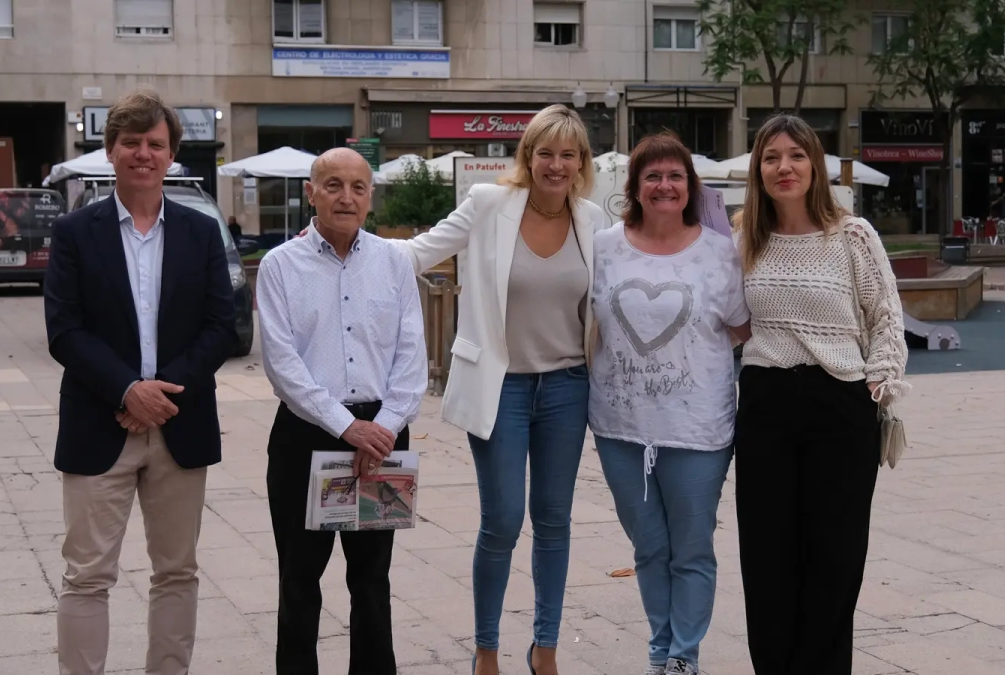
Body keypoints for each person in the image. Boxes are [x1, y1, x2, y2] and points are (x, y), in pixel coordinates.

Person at [391, 104, 609, 675]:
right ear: (528, 157)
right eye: (546, 153)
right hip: (502, 388)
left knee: (555, 520)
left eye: (568, 155)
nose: (556, 165)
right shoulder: (490, 205)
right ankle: (486, 650)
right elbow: (417, 251)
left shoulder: (593, 222)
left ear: (581, 163)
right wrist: (339, 244)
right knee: (504, 519)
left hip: (567, 387)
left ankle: (547, 647)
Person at [44, 89, 238, 675]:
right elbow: (64, 330)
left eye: (156, 144)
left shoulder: (201, 232)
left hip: (180, 425)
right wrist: (128, 391)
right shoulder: (76, 232)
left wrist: (159, 395)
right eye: (132, 142)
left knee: (176, 570)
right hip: (99, 424)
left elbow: (219, 328)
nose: (144, 154)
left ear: (173, 155)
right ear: (110, 151)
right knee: (87, 574)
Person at [732, 113, 909, 675]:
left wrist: (880, 381)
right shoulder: (744, 240)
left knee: (835, 560)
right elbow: (723, 318)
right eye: (770, 157)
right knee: (767, 560)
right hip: (765, 405)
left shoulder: (853, 236)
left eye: (796, 155)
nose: (784, 167)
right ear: (758, 171)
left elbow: (885, 316)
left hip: (840, 404)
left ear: (816, 164)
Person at [256, 147, 428, 675]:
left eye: (357, 186)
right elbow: (282, 363)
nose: (345, 197)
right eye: (332, 185)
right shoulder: (279, 265)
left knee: (372, 579)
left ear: (370, 197)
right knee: (299, 578)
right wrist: (344, 425)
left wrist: (384, 426)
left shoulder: (394, 262)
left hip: (381, 437)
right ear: (311, 193)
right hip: (306, 436)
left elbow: (411, 355)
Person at [589, 134, 751, 675]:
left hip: (698, 427)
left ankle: (682, 657)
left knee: (691, 548)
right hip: (619, 427)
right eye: (652, 176)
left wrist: (688, 362)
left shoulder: (719, 249)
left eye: (675, 176)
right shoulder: (605, 245)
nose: (664, 185)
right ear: (633, 187)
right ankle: (660, 649)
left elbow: (741, 326)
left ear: (690, 187)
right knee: (649, 547)